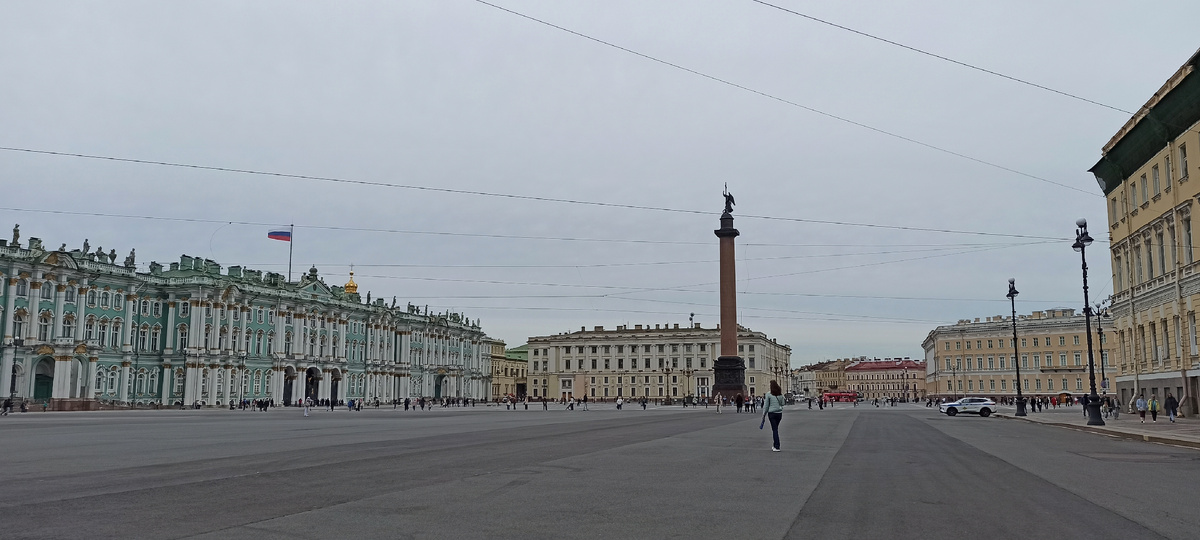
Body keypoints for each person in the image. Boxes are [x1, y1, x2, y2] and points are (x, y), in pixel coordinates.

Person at [764, 380, 785, 452]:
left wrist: (764, 414)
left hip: (772, 413)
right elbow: (783, 403)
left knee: (774, 429)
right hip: (779, 413)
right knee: (775, 429)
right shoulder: (780, 394)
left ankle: (777, 446)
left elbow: (766, 405)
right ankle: (774, 445)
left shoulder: (768, 394)